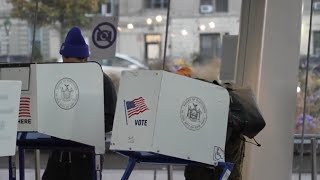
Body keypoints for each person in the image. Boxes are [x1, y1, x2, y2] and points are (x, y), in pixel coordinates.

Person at [42, 27, 117, 180]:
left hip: (86, 154)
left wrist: (79, 124)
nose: (68, 69)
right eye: (65, 63)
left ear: (85, 60)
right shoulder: (59, 81)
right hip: (58, 153)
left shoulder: (103, 82)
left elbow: (110, 120)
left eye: (72, 65)